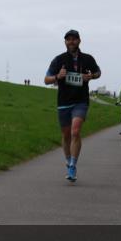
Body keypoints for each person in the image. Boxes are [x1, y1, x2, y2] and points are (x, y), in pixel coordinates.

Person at [43, 29, 101, 182]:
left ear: (79, 41)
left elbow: (98, 72)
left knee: (75, 131)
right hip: (63, 102)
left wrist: (91, 76)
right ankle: (68, 160)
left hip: (81, 101)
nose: (71, 42)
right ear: (65, 42)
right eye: (68, 39)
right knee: (66, 135)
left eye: (74, 39)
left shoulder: (88, 59)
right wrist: (57, 76)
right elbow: (46, 79)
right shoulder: (59, 60)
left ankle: (73, 165)